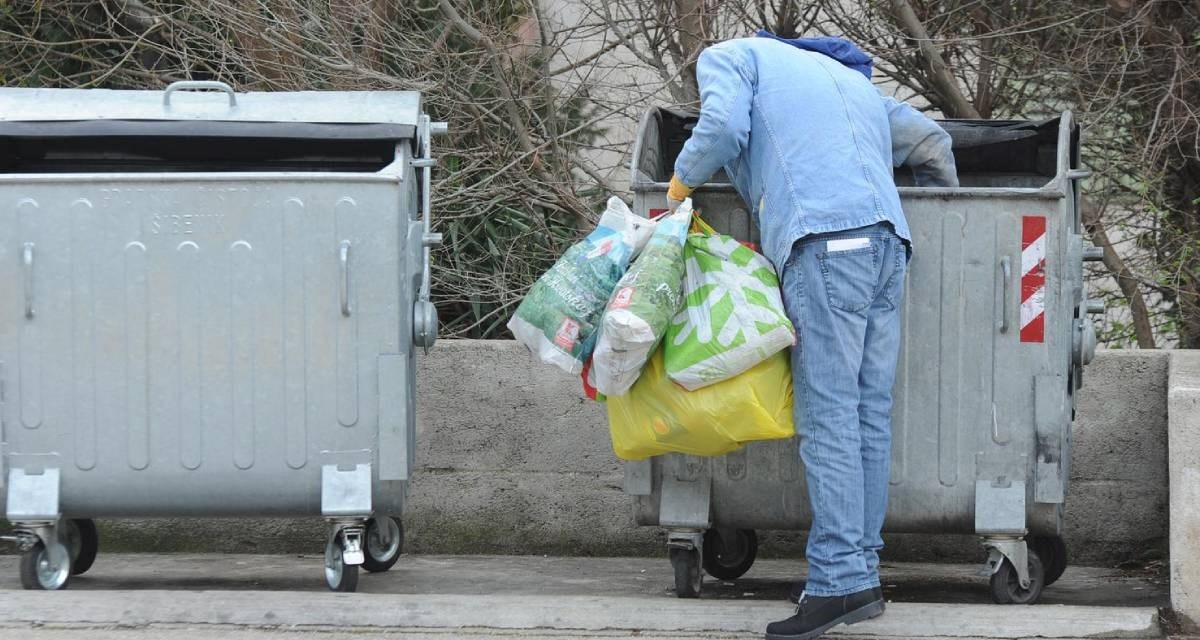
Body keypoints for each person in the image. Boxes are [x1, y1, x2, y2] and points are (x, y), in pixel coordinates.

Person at [664, 31, 958, 640]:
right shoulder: (851, 81)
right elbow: (932, 141)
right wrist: (934, 200)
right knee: (867, 415)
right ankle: (863, 576)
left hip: (824, 243)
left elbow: (720, 129)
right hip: (886, 245)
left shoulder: (732, 56)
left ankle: (835, 584)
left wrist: (681, 183)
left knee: (827, 419)